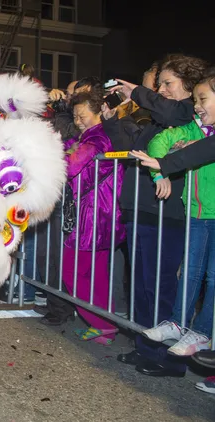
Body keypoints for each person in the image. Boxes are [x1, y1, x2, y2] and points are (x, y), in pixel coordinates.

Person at [102, 55, 207, 377]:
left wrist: (139, 92)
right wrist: (110, 121)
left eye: (167, 84)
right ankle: (145, 346)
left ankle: (169, 359)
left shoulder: (188, 113)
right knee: (142, 285)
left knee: (161, 287)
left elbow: (172, 111)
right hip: (141, 211)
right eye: (158, 85)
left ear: (190, 87)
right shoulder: (157, 123)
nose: (161, 91)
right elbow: (130, 148)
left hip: (166, 213)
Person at [62, 91, 125, 345]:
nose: (78, 120)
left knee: (72, 271)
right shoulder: (91, 136)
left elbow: (72, 166)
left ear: (98, 111)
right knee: (96, 274)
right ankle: (104, 324)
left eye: (83, 115)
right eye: (75, 116)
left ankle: (101, 324)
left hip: (93, 215)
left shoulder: (98, 137)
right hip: (102, 213)